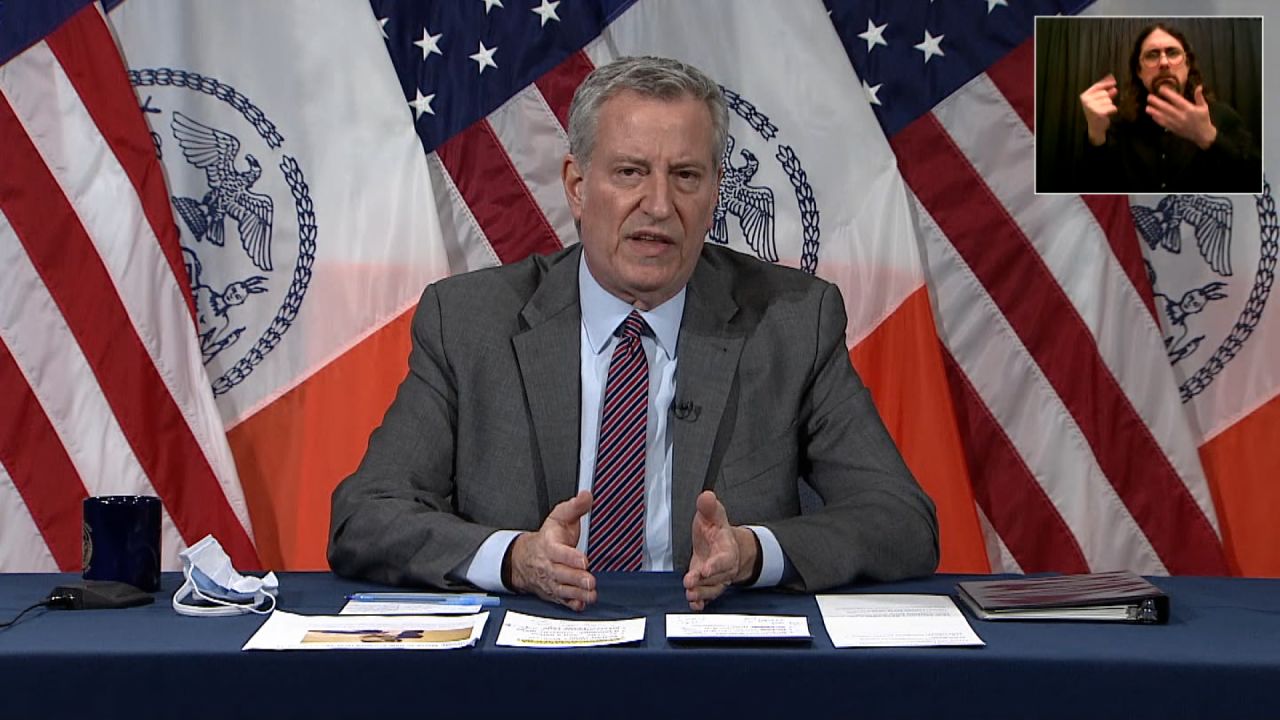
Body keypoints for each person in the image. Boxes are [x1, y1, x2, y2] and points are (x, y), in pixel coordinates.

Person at [327, 56, 939, 612]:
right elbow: (366, 516)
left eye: (686, 176)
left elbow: (902, 521)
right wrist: (515, 560)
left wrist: (753, 552)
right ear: (576, 185)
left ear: (714, 192)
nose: (657, 204)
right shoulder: (468, 322)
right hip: (527, 667)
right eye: (629, 172)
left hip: (715, 662)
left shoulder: (791, 321)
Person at [1078, 22, 1260, 193]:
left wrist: (1209, 138)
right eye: (1152, 55)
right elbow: (1097, 194)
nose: (1164, 63)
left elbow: (1260, 182)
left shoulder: (1222, 116)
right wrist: (1096, 136)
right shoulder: (1119, 126)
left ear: (1187, 66)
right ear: (1139, 72)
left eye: (1173, 53)